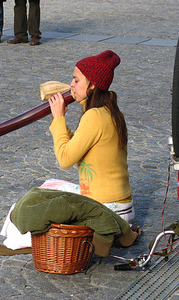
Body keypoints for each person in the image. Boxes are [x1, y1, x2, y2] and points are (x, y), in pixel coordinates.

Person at [48, 50, 135, 224]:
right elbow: (77, 148)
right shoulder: (109, 112)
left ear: (93, 84)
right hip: (121, 207)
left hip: (107, 209)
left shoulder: (94, 115)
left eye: (76, 80)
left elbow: (65, 159)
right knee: (49, 186)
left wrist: (58, 119)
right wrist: (60, 121)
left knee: (37, 203)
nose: (71, 85)